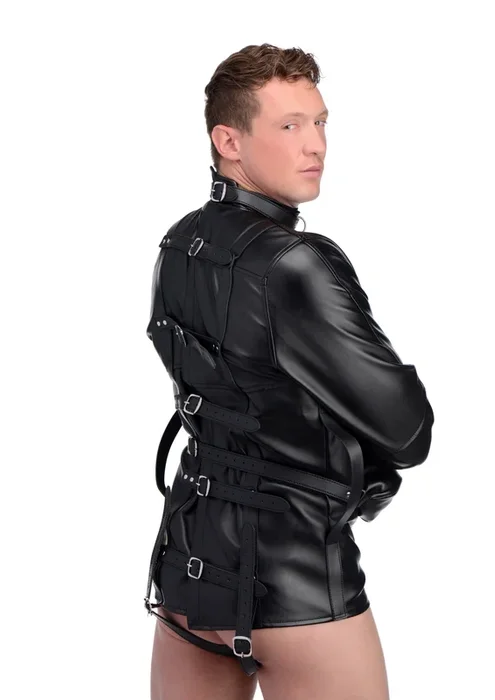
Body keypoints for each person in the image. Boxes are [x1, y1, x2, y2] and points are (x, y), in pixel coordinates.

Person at [144, 43, 435, 700]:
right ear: (229, 141)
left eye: (320, 122)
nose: (316, 145)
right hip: (297, 588)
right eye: (289, 125)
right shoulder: (296, 265)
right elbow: (409, 433)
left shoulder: (177, 244)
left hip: (188, 574)